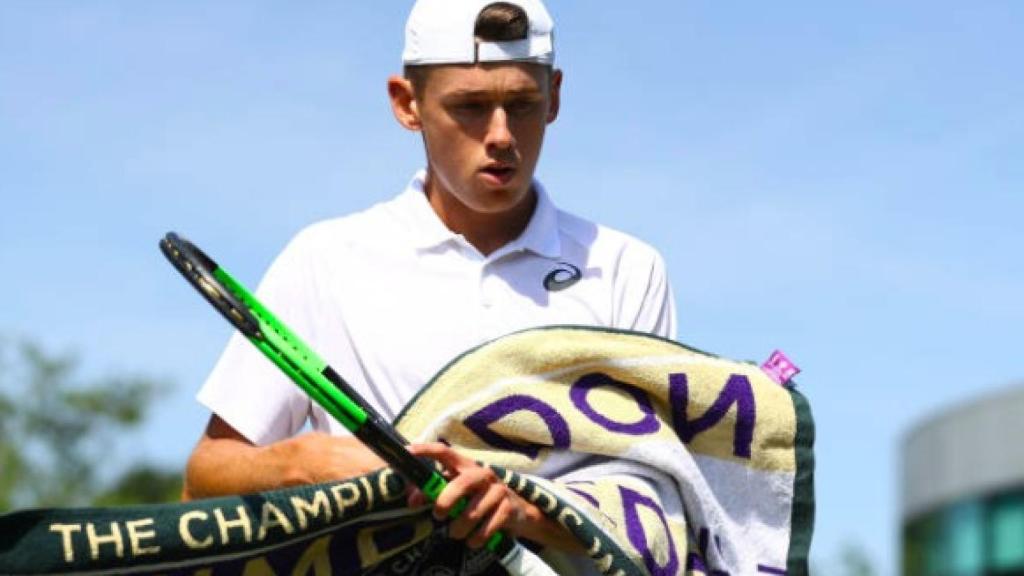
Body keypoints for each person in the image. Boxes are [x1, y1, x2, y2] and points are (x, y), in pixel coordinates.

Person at [183, 0, 677, 556]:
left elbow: (657, 499)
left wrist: (524, 509)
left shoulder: (628, 269)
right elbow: (205, 478)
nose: (501, 134)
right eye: (469, 106)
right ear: (407, 104)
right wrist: (301, 462)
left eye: (522, 104)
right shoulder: (324, 258)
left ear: (555, 97)